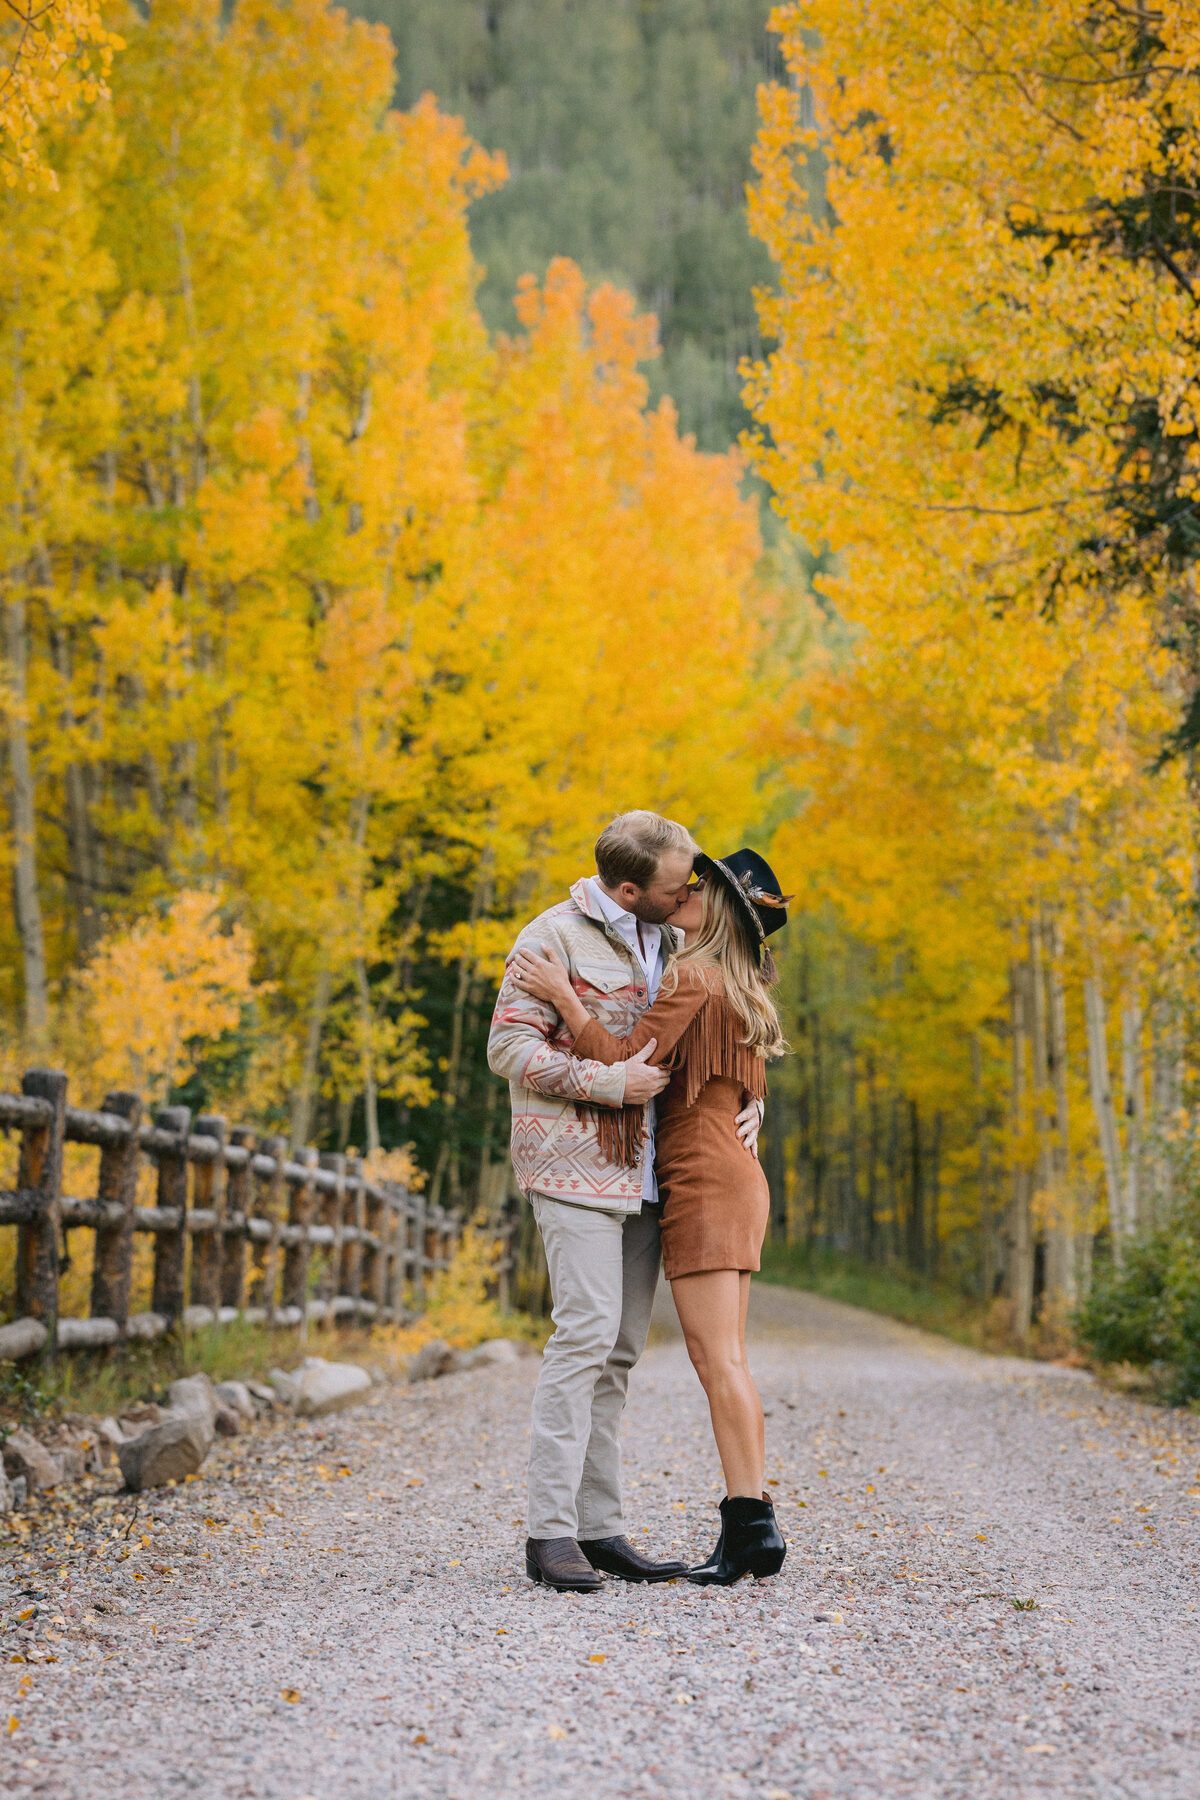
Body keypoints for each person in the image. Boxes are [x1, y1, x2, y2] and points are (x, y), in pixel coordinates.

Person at [487, 812, 764, 1593]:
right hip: (574, 1166)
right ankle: (549, 1532)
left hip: (649, 1175)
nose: (691, 893)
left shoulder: (677, 940)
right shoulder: (551, 937)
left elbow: (717, 1029)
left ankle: (599, 1528)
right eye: (678, 885)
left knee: (617, 1352)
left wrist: (751, 1101)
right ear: (631, 890)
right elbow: (507, 1048)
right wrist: (606, 1083)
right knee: (582, 1336)